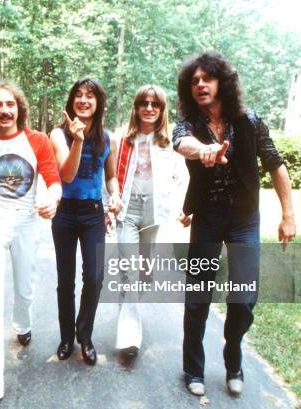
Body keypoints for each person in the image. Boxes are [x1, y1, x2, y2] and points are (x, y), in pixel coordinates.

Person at [172, 51, 296, 396]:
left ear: (222, 82)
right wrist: (203, 150)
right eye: (194, 81)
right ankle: (193, 369)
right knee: (197, 296)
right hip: (208, 217)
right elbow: (182, 144)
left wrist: (288, 215)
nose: (200, 85)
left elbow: (275, 164)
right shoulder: (188, 125)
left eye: (207, 79)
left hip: (244, 218)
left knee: (243, 299)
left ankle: (233, 357)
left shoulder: (249, 120)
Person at [0, 81, 61, 409]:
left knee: (24, 290)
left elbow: (53, 181)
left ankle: (23, 325)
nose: (4, 110)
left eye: (10, 104)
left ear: (19, 109)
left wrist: (52, 200)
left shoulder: (37, 141)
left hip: (27, 224)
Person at [49, 77, 121, 366]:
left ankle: (85, 336)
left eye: (90, 95)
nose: (83, 100)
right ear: (71, 101)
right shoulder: (58, 134)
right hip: (65, 212)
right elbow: (66, 175)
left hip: (93, 213)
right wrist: (77, 139)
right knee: (65, 280)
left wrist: (114, 196)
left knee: (94, 278)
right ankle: (67, 337)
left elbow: (111, 175)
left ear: (98, 102)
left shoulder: (107, 137)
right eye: (78, 95)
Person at [114, 85, 187, 357]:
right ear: (136, 107)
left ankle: (127, 308)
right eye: (144, 103)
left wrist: (182, 207)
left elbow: (182, 178)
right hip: (128, 211)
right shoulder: (122, 139)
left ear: (162, 110)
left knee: (143, 275)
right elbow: (108, 174)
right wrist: (109, 202)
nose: (149, 108)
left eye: (155, 104)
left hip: (154, 213)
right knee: (129, 269)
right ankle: (129, 337)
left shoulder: (169, 143)